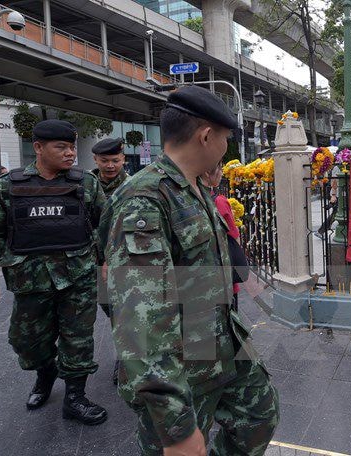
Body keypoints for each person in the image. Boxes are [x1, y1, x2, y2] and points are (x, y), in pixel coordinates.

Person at [99, 85, 279, 456]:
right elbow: (142, 321)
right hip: (180, 361)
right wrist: (175, 425)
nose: (226, 147)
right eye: (227, 137)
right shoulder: (144, 200)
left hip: (221, 341)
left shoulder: (191, 187)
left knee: (259, 418)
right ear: (206, 136)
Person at [0, 120, 108, 424]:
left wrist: (106, 259)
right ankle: (45, 372)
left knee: (78, 340)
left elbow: (107, 225)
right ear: (38, 148)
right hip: (30, 281)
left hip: (78, 278)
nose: (70, 153)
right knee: (26, 342)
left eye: (72, 147)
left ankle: (75, 396)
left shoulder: (86, 183)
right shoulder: (10, 186)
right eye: (62, 147)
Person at [91, 136, 129, 385]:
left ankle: (125, 361)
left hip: (124, 263)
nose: (110, 166)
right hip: (91, 262)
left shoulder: (133, 185)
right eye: (105, 161)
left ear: (123, 159)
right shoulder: (84, 185)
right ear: (96, 160)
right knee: (109, 310)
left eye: (115, 160)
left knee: (123, 313)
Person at [202, 160, 244, 312]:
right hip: (224, 279)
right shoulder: (219, 201)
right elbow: (234, 237)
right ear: (207, 173)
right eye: (219, 169)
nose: (222, 173)